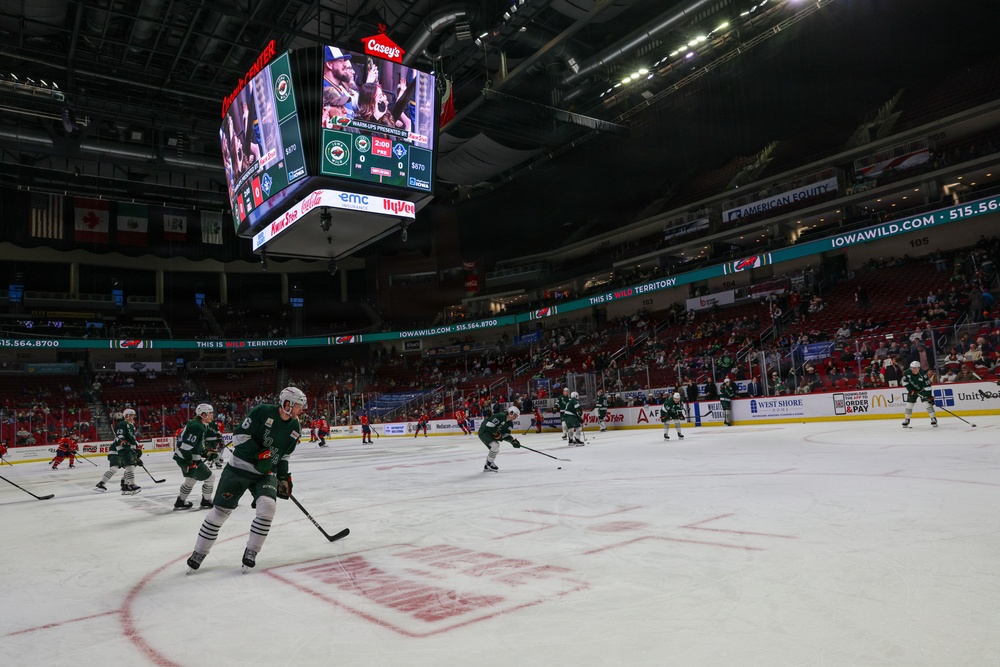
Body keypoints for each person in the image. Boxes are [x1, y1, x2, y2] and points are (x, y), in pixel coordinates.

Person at [186, 387, 307, 572]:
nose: (302, 410)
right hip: (238, 469)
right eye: (299, 405)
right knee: (220, 512)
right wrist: (259, 454)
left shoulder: (295, 427)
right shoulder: (262, 411)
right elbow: (239, 437)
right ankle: (199, 552)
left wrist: (284, 477)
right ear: (287, 403)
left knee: (268, 508)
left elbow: (284, 456)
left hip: (265, 474)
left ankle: (252, 551)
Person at [172, 403, 217, 511]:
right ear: (203, 414)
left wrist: (206, 453)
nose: (212, 416)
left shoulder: (196, 424)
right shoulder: (197, 426)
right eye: (210, 413)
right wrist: (190, 462)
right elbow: (186, 447)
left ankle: (180, 501)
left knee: (190, 480)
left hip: (182, 457)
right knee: (210, 478)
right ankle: (206, 501)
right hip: (187, 458)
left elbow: (194, 446)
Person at [94, 408, 141, 495]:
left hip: (124, 450)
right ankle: (101, 483)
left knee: (131, 467)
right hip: (116, 451)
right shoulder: (123, 425)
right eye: (131, 415)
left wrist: (137, 457)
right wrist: (123, 442)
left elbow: (133, 442)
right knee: (115, 468)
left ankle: (125, 484)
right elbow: (120, 438)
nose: (133, 417)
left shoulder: (131, 427)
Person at [477, 405, 521, 472]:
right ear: (511, 413)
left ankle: (487, 465)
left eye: (517, 416)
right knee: (495, 445)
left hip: (490, 433)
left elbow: (506, 435)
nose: (516, 417)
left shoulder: (510, 424)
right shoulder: (501, 416)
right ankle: (489, 463)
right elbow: (489, 424)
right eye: (515, 415)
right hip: (484, 431)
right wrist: (496, 433)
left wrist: (512, 441)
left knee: (495, 450)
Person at [901, 360, 938, 428]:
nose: (913, 370)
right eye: (912, 368)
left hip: (922, 390)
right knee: (909, 405)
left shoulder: (923, 375)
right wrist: (911, 391)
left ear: (919, 368)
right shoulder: (906, 372)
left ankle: (933, 418)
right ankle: (907, 419)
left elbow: (928, 387)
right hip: (912, 390)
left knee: (927, 404)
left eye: (915, 368)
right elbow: (905, 383)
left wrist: (929, 397)